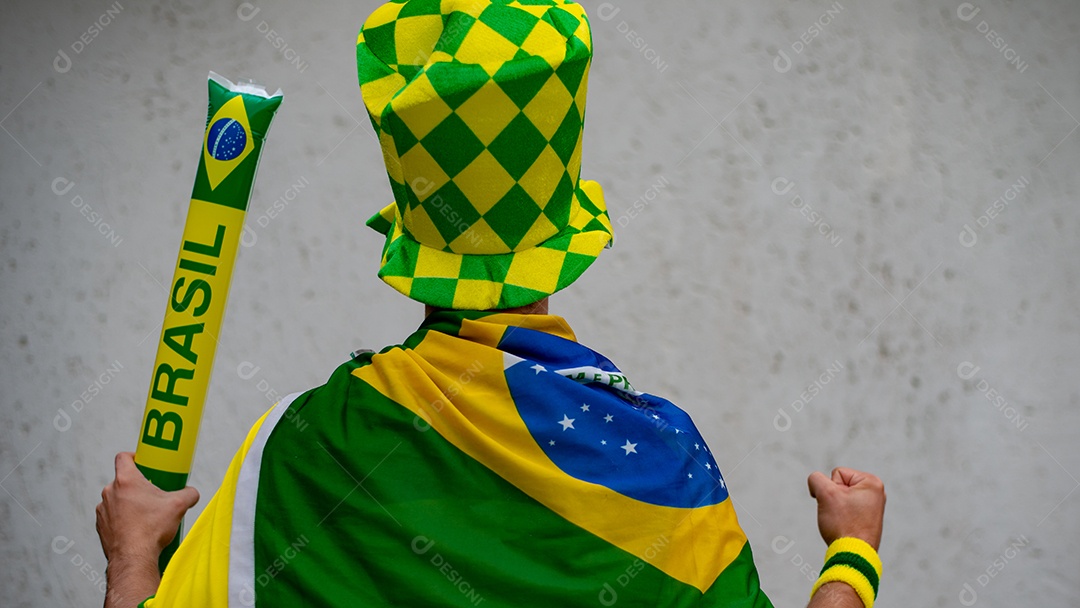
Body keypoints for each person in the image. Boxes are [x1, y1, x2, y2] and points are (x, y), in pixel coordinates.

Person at [98, 1, 886, 606]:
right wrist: (853, 553)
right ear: (567, 236)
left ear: (410, 239)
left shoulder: (299, 451)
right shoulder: (663, 465)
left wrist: (134, 554)